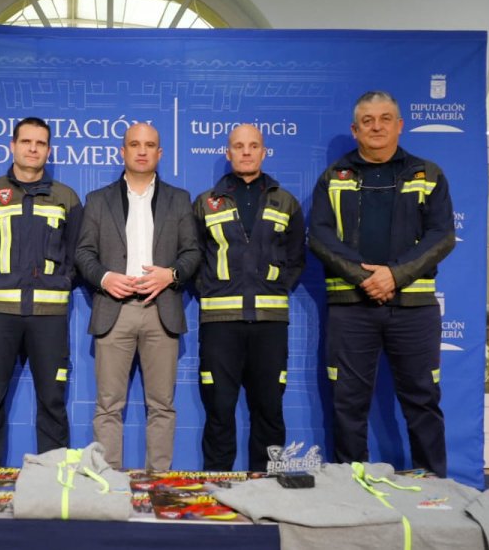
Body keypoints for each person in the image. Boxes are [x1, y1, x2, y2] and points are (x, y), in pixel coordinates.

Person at [309, 90, 456, 477]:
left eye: (385, 118)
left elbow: (442, 236)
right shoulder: (333, 178)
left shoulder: (429, 174)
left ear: (400, 125)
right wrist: (366, 278)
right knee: (348, 402)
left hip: (414, 309)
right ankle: (351, 486)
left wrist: (396, 275)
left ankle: (434, 488)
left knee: (422, 400)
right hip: (351, 308)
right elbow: (320, 237)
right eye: (368, 121)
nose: (377, 127)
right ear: (355, 130)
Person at [75, 123, 201, 471]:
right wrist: (104, 277)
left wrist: (170, 275)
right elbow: (83, 253)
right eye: (134, 144)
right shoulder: (97, 200)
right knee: (108, 406)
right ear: (123, 151)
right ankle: (108, 482)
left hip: (161, 311)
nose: (142, 151)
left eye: (149, 145)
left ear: (160, 153)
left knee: (162, 405)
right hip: (114, 310)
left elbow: (192, 253)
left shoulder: (180, 199)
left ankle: (159, 483)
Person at [0, 117, 83, 465]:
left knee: (52, 400)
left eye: (41, 143)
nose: (33, 149)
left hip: (49, 316)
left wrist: (59, 283)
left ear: (49, 150)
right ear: (13, 146)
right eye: (26, 142)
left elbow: (77, 252)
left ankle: (51, 479)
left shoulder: (66, 197)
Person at [192, 123, 305, 472]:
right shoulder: (206, 202)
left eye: (253, 145)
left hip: (269, 324)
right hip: (219, 325)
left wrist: (273, 284)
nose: (245, 151)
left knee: (270, 410)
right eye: (238, 146)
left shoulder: (285, 201)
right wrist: (213, 288)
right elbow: (194, 256)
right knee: (219, 409)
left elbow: (296, 258)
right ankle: (217, 485)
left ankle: (267, 486)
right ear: (228, 153)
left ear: (263, 151)